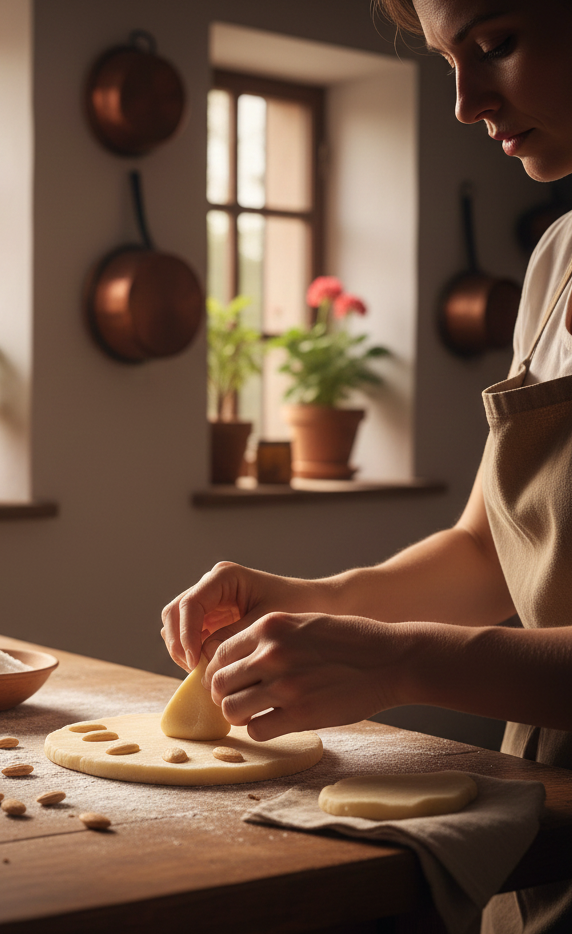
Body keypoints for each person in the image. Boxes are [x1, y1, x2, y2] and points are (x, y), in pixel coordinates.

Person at [160, 2, 572, 931]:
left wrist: (399, 659)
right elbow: (488, 552)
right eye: (448, 60)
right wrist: (314, 603)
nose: (465, 103)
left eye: (496, 44)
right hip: (547, 824)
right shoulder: (558, 263)